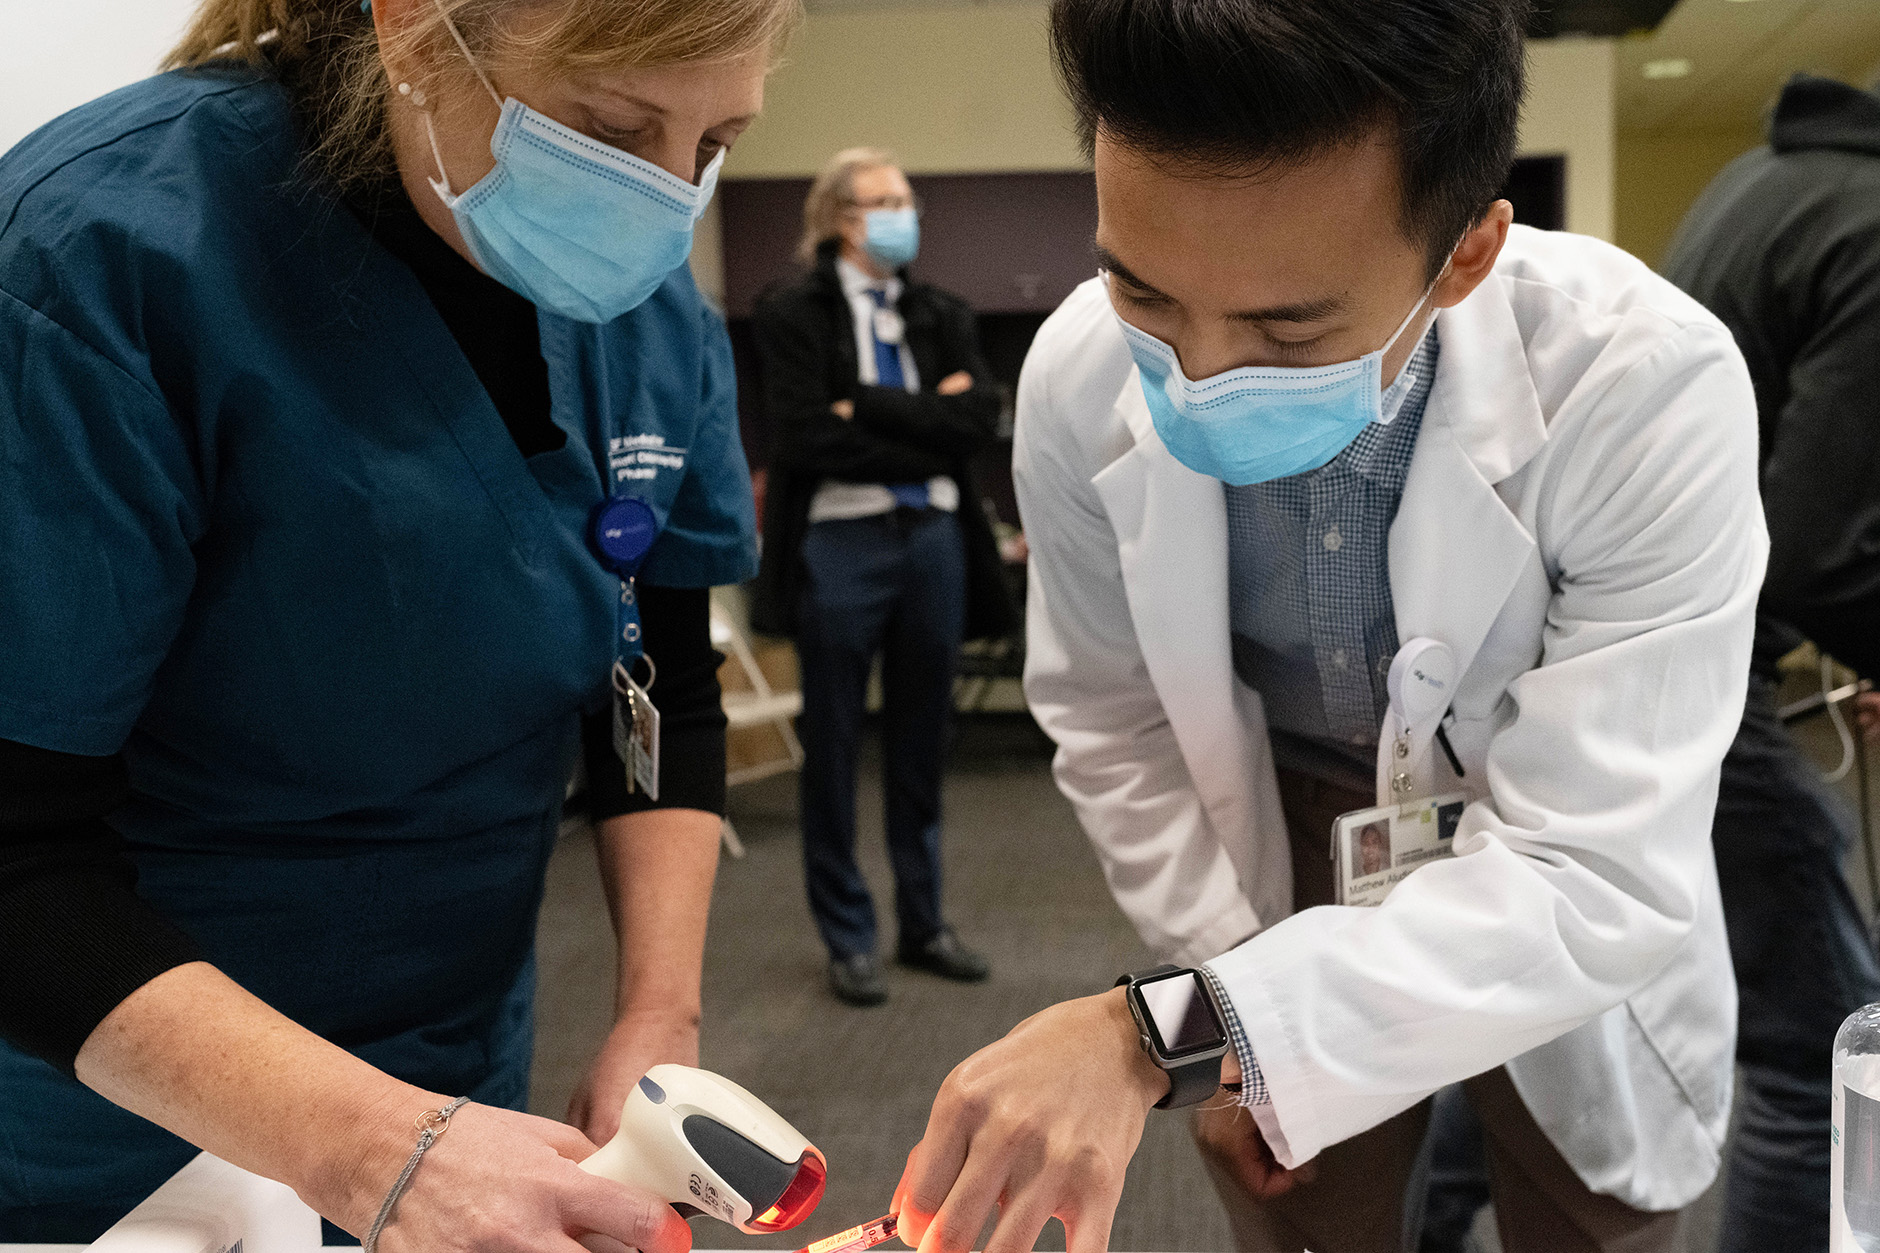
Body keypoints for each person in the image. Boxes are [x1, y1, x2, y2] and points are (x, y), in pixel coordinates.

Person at [890, 0, 1765, 1251]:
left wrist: (1164, 1029)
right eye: (1142, 291)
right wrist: (1235, 998)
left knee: (1592, 1205)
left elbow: (1590, 866)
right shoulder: (1078, 375)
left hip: (1538, 821)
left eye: (1284, 331)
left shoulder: (1645, 384)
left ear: (1464, 254)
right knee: (1302, 1210)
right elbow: (1110, 714)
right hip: (1280, 821)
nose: (1192, 373)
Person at [0, 0, 795, 1245]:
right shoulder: (101, 252)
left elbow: (664, 686)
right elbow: (12, 847)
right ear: (419, 37)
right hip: (116, 1098)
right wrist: (376, 1143)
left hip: (455, 1060)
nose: (663, 199)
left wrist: (659, 1012)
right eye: (612, 128)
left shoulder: (641, 308)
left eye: (714, 143)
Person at [1656, 71, 1880, 1253]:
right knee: (1817, 1038)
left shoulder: (1763, 180)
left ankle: (1416, 1228)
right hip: (1693, 666)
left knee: (1555, 1001)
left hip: (1627, 648)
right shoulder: (1867, 224)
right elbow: (1809, 556)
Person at [749, 149, 1013, 1007]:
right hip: (840, 538)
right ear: (838, 218)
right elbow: (802, 437)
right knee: (831, 742)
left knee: (921, 739)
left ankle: (925, 923)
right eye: (882, 201)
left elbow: (975, 425)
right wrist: (924, 421)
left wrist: (861, 401)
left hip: (932, 536)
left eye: (908, 199)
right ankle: (848, 935)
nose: (903, 213)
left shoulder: (942, 311)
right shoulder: (791, 310)